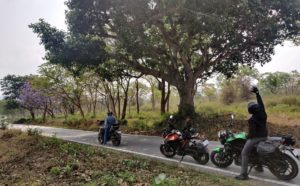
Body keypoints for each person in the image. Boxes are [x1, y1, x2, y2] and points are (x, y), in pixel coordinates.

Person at [235, 86, 268, 180]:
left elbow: (252, 134)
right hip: (265, 136)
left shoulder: (252, 120)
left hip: (257, 137)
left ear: (250, 111)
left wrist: (247, 136)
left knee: (244, 153)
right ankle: (259, 166)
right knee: (255, 150)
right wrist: (257, 93)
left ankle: (244, 174)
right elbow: (261, 103)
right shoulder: (263, 112)